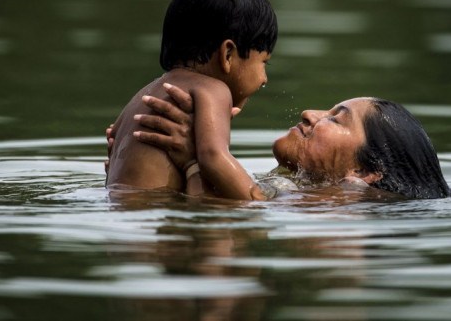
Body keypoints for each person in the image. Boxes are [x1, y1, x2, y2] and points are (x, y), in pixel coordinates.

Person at [106, 0, 278, 200]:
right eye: (263, 62)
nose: (264, 78)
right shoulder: (214, 90)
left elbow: (114, 149)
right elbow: (213, 157)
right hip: (158, 215)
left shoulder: (143, 95)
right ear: (227, 54)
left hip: (119, 213)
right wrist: (256, 198)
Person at [128, 84, 450, 200]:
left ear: (367, 171)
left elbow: (217, 219)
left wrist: (196, 159)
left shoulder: (338, 206)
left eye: (336, 118)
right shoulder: (303, 190)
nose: (310, 113)